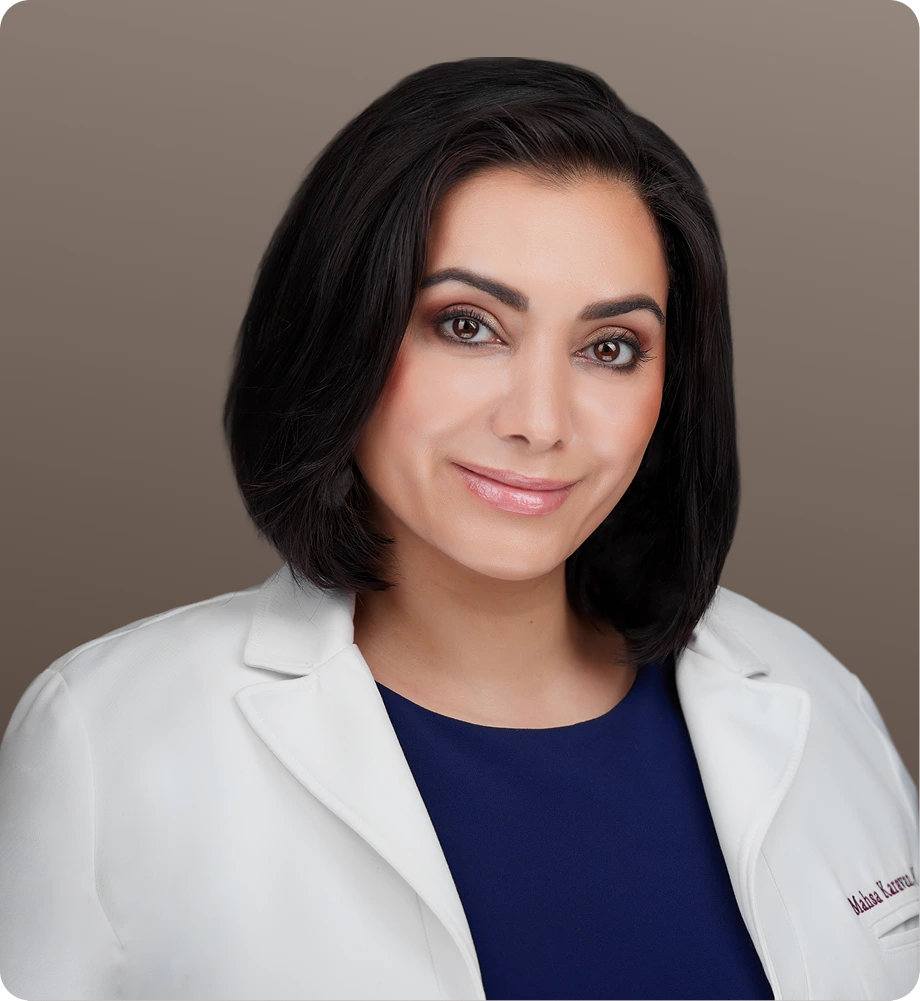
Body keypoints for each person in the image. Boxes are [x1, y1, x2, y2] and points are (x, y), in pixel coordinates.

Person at [0, 56, 916, 1001]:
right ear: (341, 330)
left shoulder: (816, 696)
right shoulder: (106, 745)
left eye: (610, 348)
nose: (540, 421)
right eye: (469, 326)